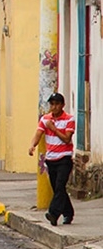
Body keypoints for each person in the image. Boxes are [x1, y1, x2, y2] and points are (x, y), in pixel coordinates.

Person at [29, 92, 75, 226]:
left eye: (57, 104)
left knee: (60, 185)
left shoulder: (69, 119)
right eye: (52, 104)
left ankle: (53, 213)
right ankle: (68, 213)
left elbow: (67, 139)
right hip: (51, 159)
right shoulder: (45, 119)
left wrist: (53, 129)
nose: (54, 107)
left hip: (64, 158)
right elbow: (38, 134)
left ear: (62, 105)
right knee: (57, 189)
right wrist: (32, 145)